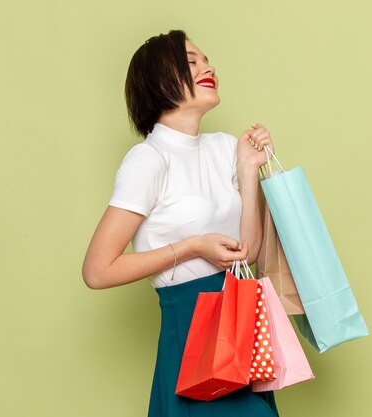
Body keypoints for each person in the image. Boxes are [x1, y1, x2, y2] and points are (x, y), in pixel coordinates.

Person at [82, 29, 279, 417]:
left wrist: (248, 169)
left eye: (206, 60)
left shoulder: (225, 147)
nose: (208, 67)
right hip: (192, 332)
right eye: (191, 61)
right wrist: (191, 247)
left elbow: (248, 252)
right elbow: (97, 270)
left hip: (240, 322)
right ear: (159, 81)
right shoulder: (148, 160)